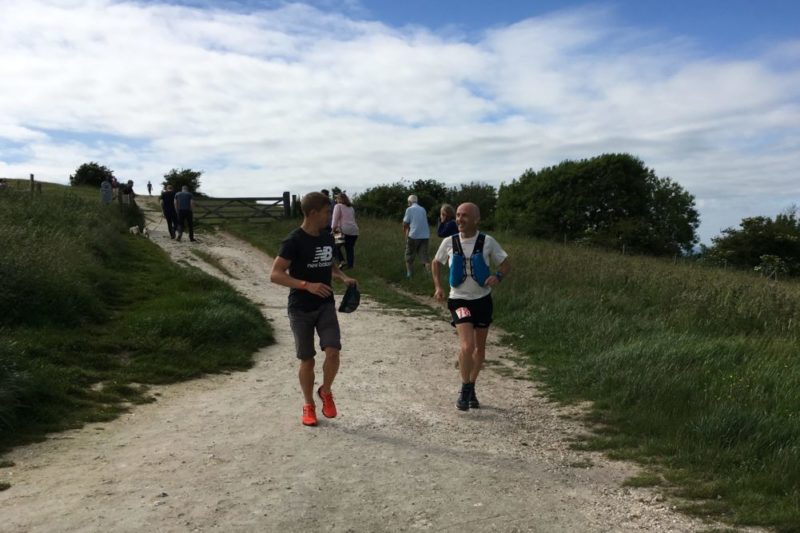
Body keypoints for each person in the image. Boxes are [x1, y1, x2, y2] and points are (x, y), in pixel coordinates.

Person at [270, 191, 357, 427]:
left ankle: (325, 391)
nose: (330, 216)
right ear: (313, 213)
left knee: (333, 351)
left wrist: (342, 277)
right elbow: (275, 274)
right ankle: (308, 404)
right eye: (327, 212)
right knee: (307, 360)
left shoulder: (327, 236)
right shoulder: (293, 241)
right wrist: (306, 285)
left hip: (325, 304)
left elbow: (327, 261)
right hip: (300, 308)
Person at [432, 202, 510, 411]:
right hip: (459, 300)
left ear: (476, 219)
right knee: (468, 346)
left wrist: (498, 277)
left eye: (464, 215)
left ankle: (472, 385)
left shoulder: (488, 242)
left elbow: (505, 263)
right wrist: (439, 287)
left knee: (480, 349)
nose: (459, 219)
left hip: (483, 301)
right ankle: (465, 387)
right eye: (457, 215)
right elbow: (436, 263)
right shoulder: (449, 242)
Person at [402, 194, 430, 278]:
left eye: (408, 203)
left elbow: (405, 223)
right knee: (424, 256)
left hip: (413, 235)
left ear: (410, 202)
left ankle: (409, 274)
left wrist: (405, 232)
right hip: (425, 235)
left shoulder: (409, 209)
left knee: (409, 255)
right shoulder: (423, 209)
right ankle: (429, 274)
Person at [331, 192, 359, 269]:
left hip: (342, 230)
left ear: (340, 199)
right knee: (349, 248)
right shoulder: (351, 207)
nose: (336, 200)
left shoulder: (338, 206)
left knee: (335, 246)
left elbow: (335, 219)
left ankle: (342, 261)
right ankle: (350, 266)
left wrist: (333, 229)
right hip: (354, 230)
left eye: (337, 198)